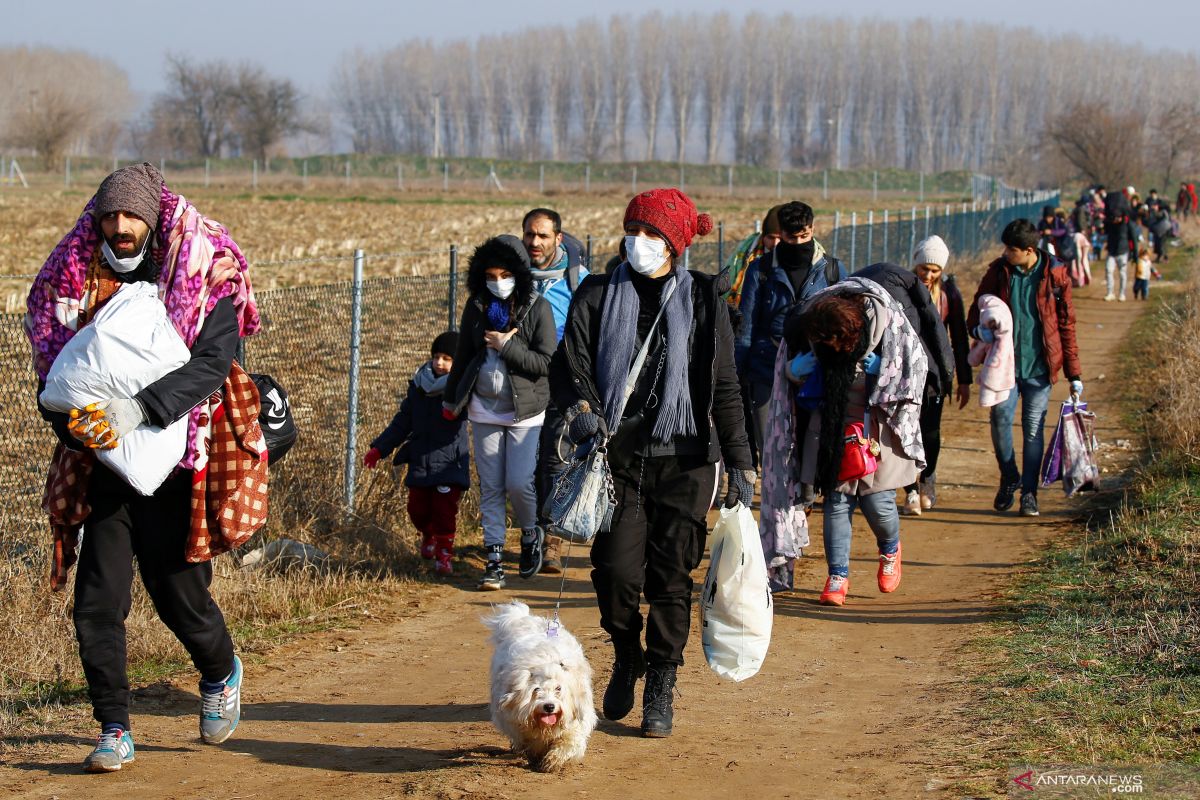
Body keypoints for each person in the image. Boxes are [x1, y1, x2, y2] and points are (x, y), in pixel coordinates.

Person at [26, 162, 260, 771]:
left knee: (176, 592)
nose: (121, 227)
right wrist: (73, 425)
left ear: (154, 220)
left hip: (178, 461)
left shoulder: (206, 276)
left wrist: (141, 410)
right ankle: (112, 728)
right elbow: (60, 374)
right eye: (110, 215)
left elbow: (211, 364)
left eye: (132, 215)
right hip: (103, 466)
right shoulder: (78, 281)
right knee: (97, 604)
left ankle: (218, 670)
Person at [550, 188, 753, 738]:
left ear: (675, 244)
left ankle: (662, 678)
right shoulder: (597, 293)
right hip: (615, 461)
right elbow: (569, 368)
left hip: (685, 460)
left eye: (650, 234)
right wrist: (586, 408)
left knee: (670, 577)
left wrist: (741, 461)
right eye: (632, 230)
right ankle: (626, 652)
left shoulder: (707, 299)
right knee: (615, 571)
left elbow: (726, 385)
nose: (636, 242)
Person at [782, 278, 927, 606]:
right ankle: (837, 577)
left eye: (835, 343)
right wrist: (794, 369)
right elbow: (790, 380)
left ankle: (890, 549)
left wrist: (881, 375)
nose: (830, 349)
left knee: (879, 505)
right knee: (836, 504)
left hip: (876, 438)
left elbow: (912, 374)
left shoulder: (886, 338)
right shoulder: (820, 338)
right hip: (832, 438)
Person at [443, 235, 556, 591]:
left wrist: (507, 347)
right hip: (483, 408)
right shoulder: (476, 307)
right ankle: (493, 560)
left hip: (525, 411)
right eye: (490, 275)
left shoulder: (538, 308)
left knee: (519, 483)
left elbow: (545, 362)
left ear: (519, 274)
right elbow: (463, 355)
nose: (498, 281)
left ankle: (528, 534)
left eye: (505, 273)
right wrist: (451, 400)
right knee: (491, 486)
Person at [967, 219, 1083, 518]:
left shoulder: (1056, 276)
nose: (1006, 253)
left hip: (1040, 370)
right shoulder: (999, 272)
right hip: (1003, 369)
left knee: (1033, 431)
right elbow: (974, 314)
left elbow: (1067, 325)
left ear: (1029, 250)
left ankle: (1029, 494)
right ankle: (1009, 477)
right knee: (1000, 420)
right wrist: (981, 333)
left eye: (1011, 249)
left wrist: (1074, 374)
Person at [736, 200, 846, 469]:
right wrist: (738, 373)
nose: (798, 243)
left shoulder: (831, 270)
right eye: (790, 237)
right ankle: (779, 501)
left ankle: (804, 498)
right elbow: (747, 325)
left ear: (812, 230)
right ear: (780, 234)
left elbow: (846, 321)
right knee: (770, 446)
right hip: (765, 369)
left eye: (804, 236)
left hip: (815, 369)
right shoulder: (759, 270)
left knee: (811, 442)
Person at [362, 331, 469, 576]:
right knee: (417, 509)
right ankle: (428, 535)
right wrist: (380, 448)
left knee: (444, 510)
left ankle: (444, 553)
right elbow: (402, 422)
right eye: (436, 357)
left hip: (449, 462)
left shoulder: (463, 388)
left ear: (457, 362)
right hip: (420, 460)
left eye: (447, 358)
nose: (439, 363)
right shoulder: (419, 387)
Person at [522, 208, 590, 575]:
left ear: (558, 239)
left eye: (543, 236)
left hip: (562, 382)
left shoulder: (579, 280)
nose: (535, 242)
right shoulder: (511, 277)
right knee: (524, 464)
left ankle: (552, 541)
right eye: (530, 235)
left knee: (555, 460)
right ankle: (529, 535)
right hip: (520, 383)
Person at [904, 236, 972, 513]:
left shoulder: (949, 295)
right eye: (924, 268)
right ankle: (908, 488)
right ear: (915, 264)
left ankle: (927, 479)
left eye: (935, 271)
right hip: (905, 373)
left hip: (935, 377)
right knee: (905, 431)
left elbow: (959, 337)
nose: (929, 275)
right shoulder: (903, 288)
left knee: (930, 432)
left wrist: (964, 379)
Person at [720, 204, 783, 309]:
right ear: (764, 236)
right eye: (771, 238)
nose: (775, 243)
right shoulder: (747, 251)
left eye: (780, 238)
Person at [1103, 198, 1137, 302]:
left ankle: (1122, 294)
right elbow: (1105, 231)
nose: (1115, 220)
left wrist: (1135, 255)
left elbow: (1134, 239)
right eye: (1113, 218)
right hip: (1112, 252)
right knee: (1108, 270)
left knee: (1122, 273)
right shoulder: (1110, 224)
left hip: (1123, 252)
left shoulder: (1128, 224)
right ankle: (1110, 293)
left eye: (1117, 218)